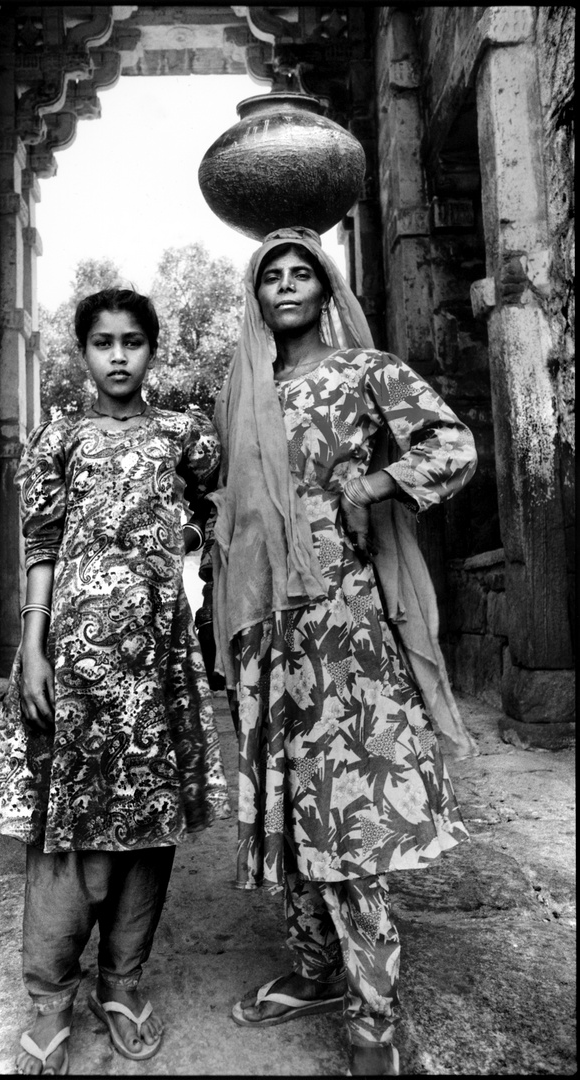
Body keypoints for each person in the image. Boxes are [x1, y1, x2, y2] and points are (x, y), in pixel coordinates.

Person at [204, 227, 478, 1077]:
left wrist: (371, 481)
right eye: (270, 276)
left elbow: (452, 445)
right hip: (261, 625)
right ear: (254, 296)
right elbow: (229, 502)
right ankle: (318, 971)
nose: (285, 285)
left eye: (301, 273)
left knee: (347, 805)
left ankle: (374, 1012)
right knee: (285, 804)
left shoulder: (367, 372)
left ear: (326, 291)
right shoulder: (239, 390)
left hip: (340, 620)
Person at [0, 286, 230, 1076]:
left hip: (156, 662)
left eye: (132, 340)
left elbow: (223, 508)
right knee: (67, 826)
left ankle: (121, 985)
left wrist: (194, 569)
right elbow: (41, 546)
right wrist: (32, 647)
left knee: (146, 822)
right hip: (76, 659)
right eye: (102, 342)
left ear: (153, 349)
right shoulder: (59, 439)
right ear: (82, 352)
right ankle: (50, 997)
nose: (118, 354)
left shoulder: (184, 435)